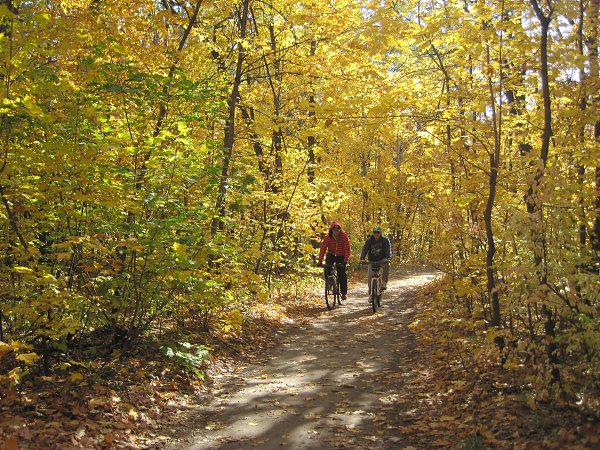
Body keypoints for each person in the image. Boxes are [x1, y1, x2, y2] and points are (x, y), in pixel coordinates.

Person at [318, 221, 351, 300]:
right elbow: (323, 249)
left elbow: (347, 249)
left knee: (342, 273)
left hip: (341, 255)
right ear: (331, 230)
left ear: (340, 230)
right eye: (334, 230)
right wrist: (320, 260)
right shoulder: (327, 237)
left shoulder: (344, 236)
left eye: (338, 230)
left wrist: (345, 259)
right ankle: (329, 283)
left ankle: (343, 293)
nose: (336, 232)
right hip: (331, 254)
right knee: (327, 268)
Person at [360, 225, 391, 290]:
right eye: (375, 232)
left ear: (380, 233)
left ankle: (384, 282)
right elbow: (365, 249)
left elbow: (388, 249)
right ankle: (370, 292)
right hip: (372, 260)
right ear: (373, 233)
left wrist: (388, 258)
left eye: (378, 232)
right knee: (370, 276)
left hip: (382, 259)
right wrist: (362, 259)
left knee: (387, 265)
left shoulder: (385, 240)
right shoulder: (369, 240)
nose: (376, 234)